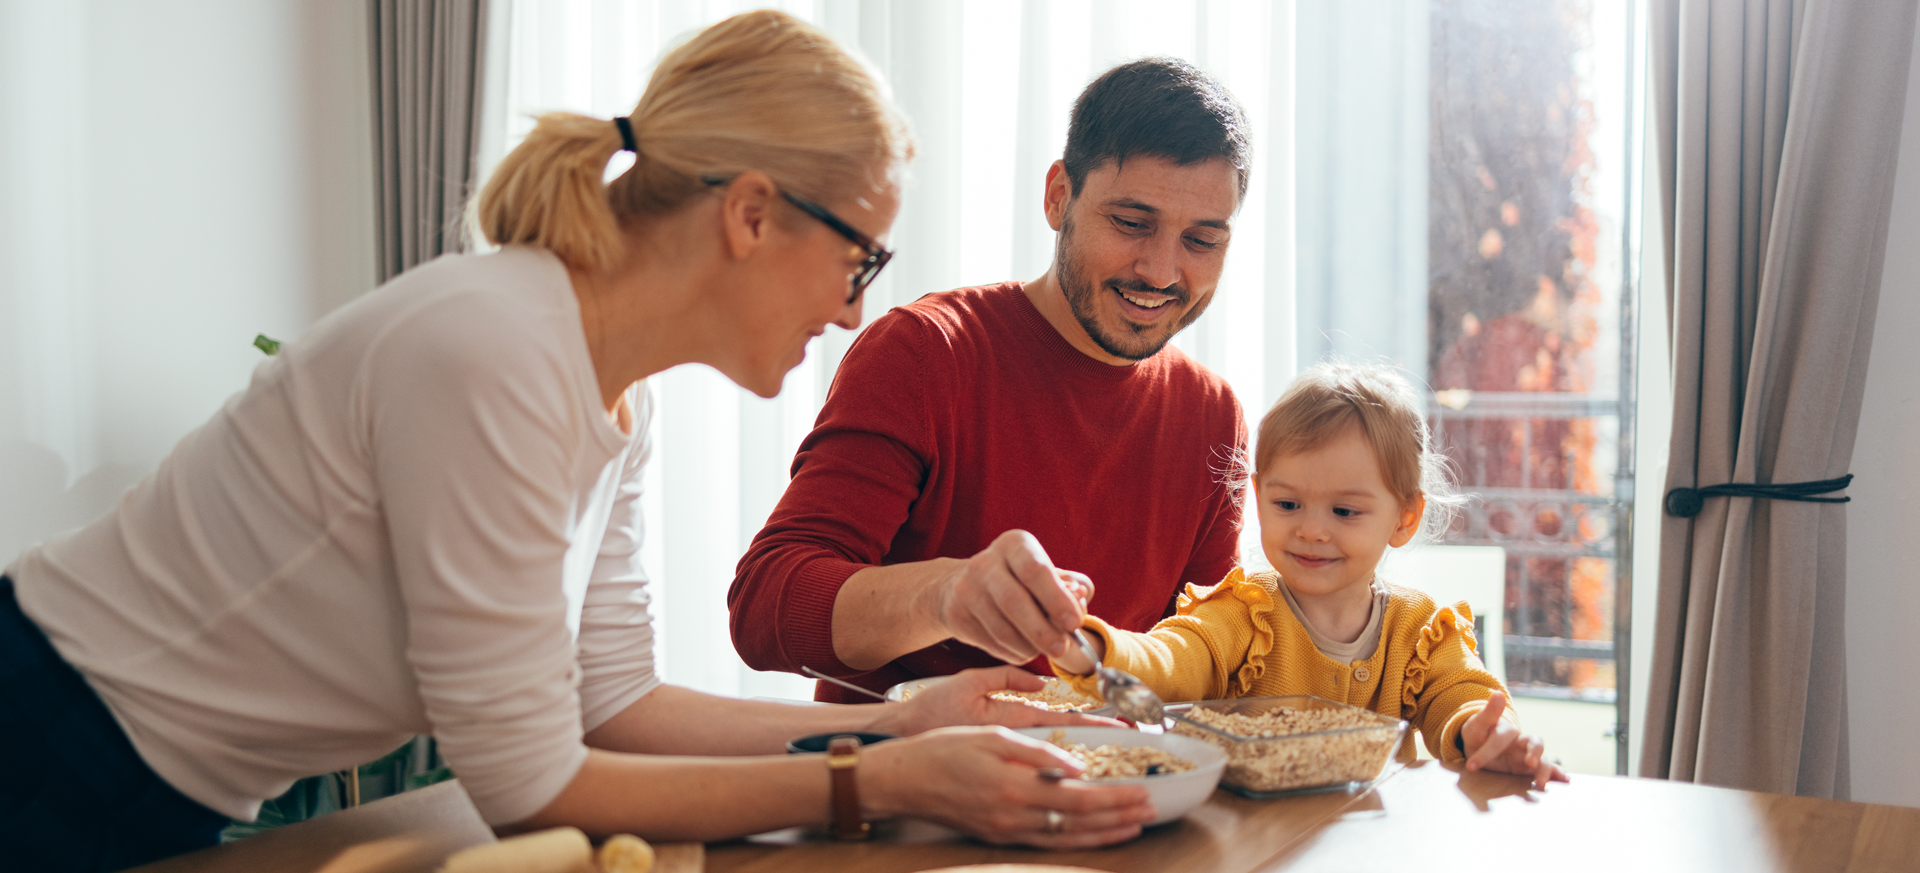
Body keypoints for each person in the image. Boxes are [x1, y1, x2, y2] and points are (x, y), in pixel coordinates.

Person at [0, 13, 1159, 871]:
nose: (856, 308)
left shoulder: (615, 394)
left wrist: (900, 718)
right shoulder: (491, 347)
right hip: (42, 735)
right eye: (859, 259)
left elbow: (612, 706)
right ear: (752, 214)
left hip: (140, 784)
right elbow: (529, 784)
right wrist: (890, 774)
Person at [729, 57, 1252, 703]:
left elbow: (1213, 655)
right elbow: (764, 610)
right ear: (1058, 195)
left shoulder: (1213, 413)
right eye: (1131, 223)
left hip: (1115, 788)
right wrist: (946, 595)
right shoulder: (925, 353)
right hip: (909, 787)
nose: (1161, 270)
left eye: (1202, 240)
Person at [1051, 362, 1572, 789]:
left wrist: (1483, 733)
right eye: (1288, 504)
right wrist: (1093, 649)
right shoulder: (1242, 613)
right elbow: (1171, 658)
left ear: (1404, 517)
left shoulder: (1421, 631)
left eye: (1344, 512)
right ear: (1258, 499)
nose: (1312, 531)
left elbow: (1463, 697)